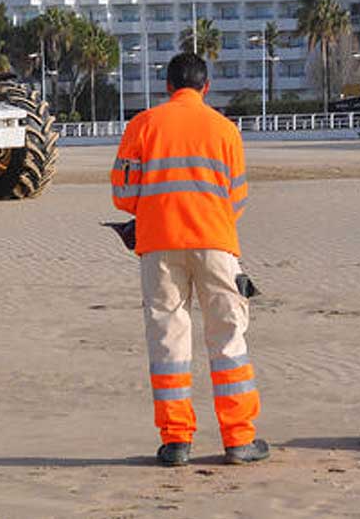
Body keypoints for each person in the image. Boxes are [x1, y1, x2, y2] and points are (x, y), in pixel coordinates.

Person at [110, 52, 268, 467]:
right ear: (206, 87)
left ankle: (177, 441)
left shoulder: (142, 125)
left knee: (168, 342)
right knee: (229, 341)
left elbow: (123, 196)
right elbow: (238, 199)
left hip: (159, 246)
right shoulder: (225, 130)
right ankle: (239, 440)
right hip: (216, 243)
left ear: (167, 87)